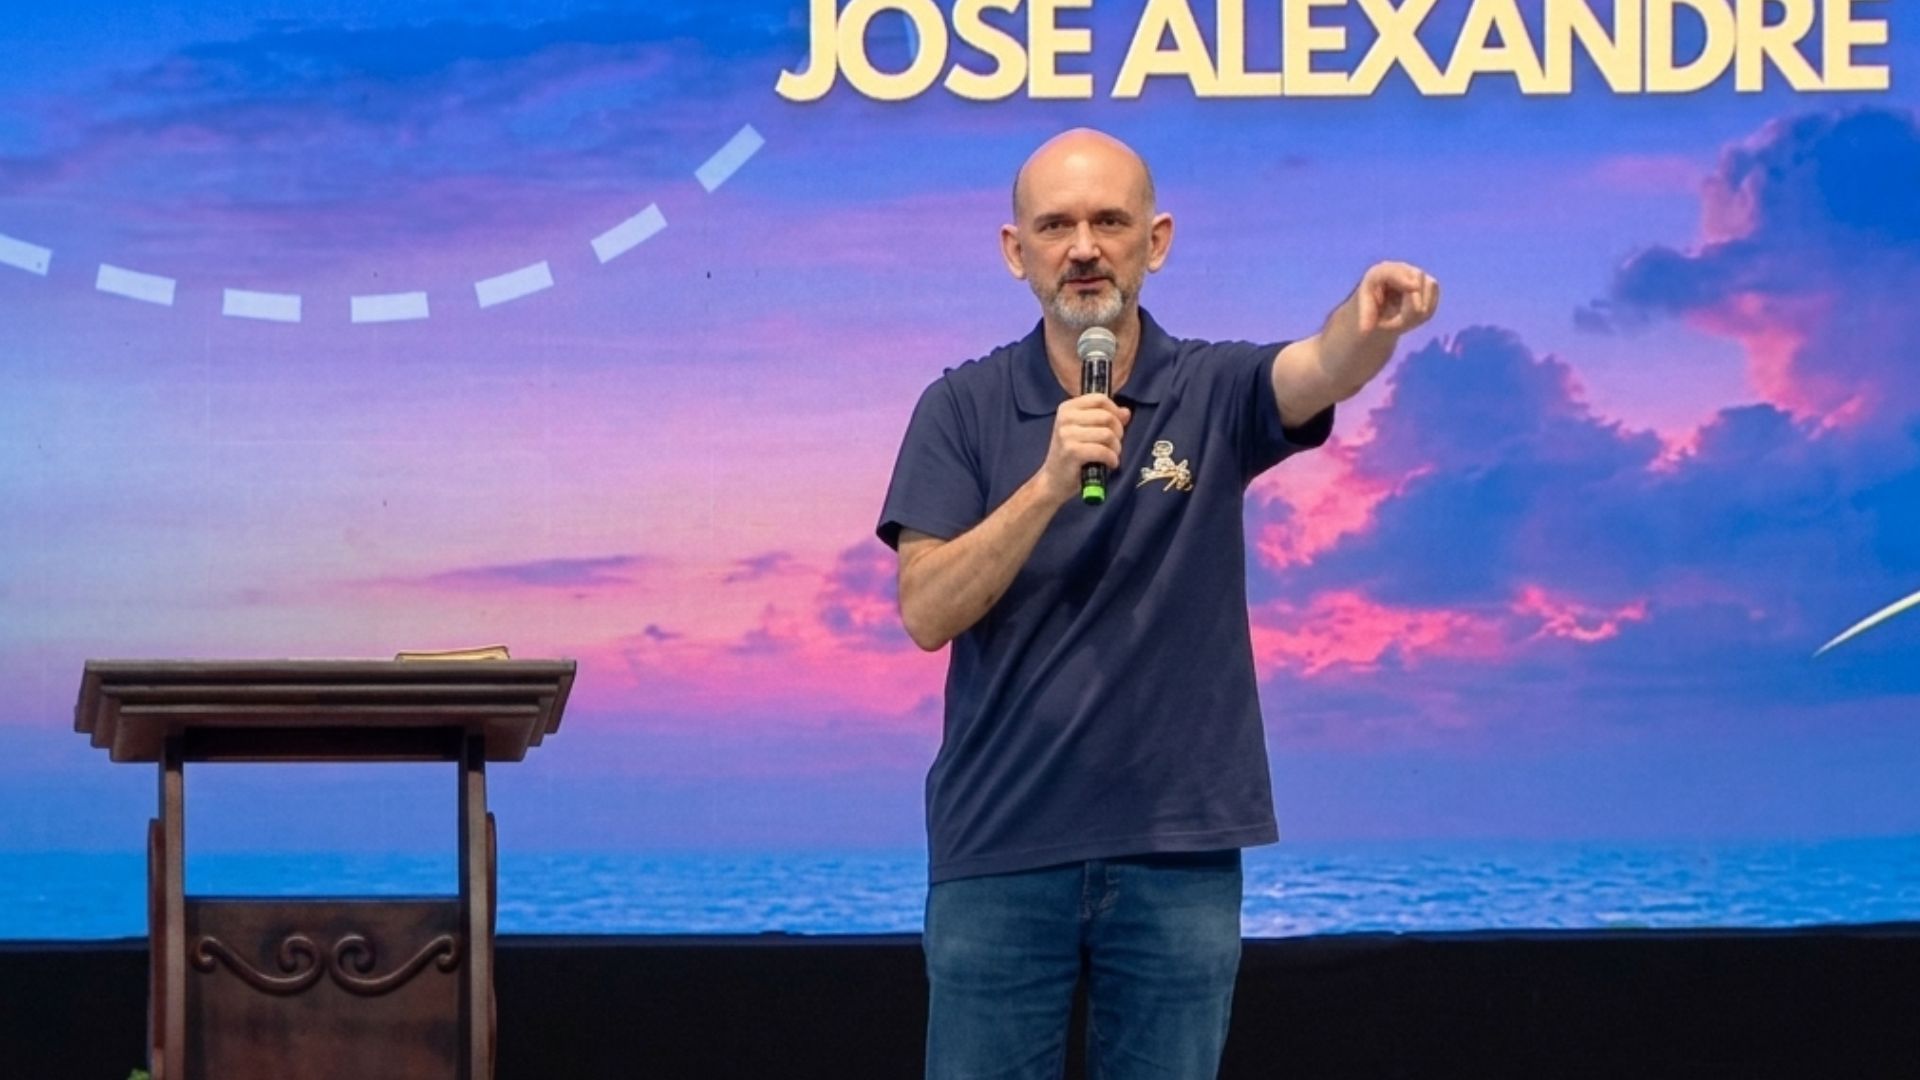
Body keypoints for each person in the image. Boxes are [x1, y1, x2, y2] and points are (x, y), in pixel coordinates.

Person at [876, 128, 1439, 1079]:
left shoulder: (1210, 387)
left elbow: (1318, 367)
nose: (1083, 248)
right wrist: (1049, 483)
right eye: (1055, 226)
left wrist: (1370, 324)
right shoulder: (960, 407)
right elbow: (926, 611)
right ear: (1015, 251)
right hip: (1000, 845)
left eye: (1109, 222)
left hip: (1178, 852)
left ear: (1157, 240)